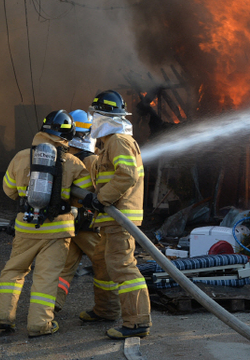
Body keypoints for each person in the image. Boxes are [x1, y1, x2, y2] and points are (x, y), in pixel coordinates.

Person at [0, 110, 94, 337]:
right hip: (57, 231)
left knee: (14, 271)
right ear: (68, 135)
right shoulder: (73, 162)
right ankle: (40, 325)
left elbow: (9, 190)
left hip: (26, 226)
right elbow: (87, 192)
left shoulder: (20, 157)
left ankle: (4, 316)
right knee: (47, 277)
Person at [78, 90, 151, 339]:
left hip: (121, 216)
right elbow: (106, 171)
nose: (92, 119)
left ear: (104, 116)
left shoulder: (119, 140)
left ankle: (137, 322)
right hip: (111, 217)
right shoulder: (108, 143)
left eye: (94, 114)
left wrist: (101, 198)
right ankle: (106, 310)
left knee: (123, 267)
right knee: (103, 262)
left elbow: (126, 174)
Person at [54, 109, 101, 313]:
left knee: (64, 268)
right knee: (105, 263)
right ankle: (109, 307)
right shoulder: (90, 160)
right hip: (87, 225)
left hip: (68, 222)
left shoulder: (63, 156)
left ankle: (50, 306)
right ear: (86, 133)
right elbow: (96, 192)